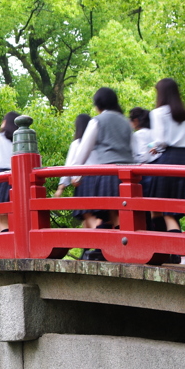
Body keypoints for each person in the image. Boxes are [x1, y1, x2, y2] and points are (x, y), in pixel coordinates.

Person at [69, 89, 134, 261]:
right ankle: (117, 249)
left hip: (108, 172)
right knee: (120, 214)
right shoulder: (126, 121)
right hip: (129, 172)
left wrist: (76, 175)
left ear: (98, 105)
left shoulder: (97, 121)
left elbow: (84, 149)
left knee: (112, 214)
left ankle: (105, 249)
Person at [146, 78, 185, 244]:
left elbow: (160, 140)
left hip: (169, 159)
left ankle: (172, 252)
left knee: (165, 210)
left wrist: (153, 146)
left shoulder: (157, 113)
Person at [56, 114, 91, 197]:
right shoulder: (96, 144)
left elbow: (69, 165)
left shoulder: (77, 144)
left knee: (86, 208)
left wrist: (61, 188)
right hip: (100, 181)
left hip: (82, 183)